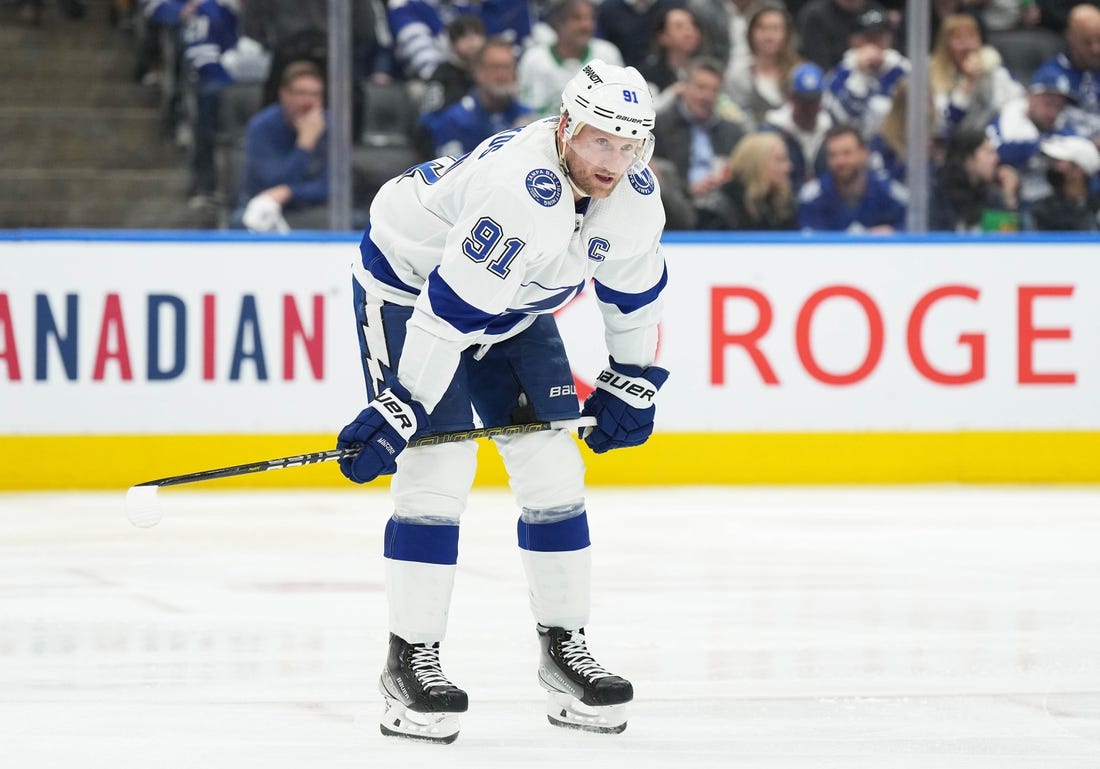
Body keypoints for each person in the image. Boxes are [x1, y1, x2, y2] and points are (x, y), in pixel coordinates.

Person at [336, 60, 669, 744]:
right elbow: (450, 310)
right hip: (412, 289)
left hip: (512, 311)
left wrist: (634, 377)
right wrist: (403, 404)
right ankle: (409, 661)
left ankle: (564, 651)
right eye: (600, 140)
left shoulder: (636, 193)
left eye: (628, 144)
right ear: (568, 128)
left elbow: (635, 294)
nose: (613, 160)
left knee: (554, 471)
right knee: (438, 469)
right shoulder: (520, 189)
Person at [231, 60, 329, 231]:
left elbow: (333, 186)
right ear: (284, 95)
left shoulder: (332, 126)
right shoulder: (261, 127)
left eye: (315, 95)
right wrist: (304, 145)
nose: (309, 102)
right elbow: (272, 182)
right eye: (301, 93)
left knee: (359, 221)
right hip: (263, 206)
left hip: (316, 208)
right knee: (241, 221)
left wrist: (289, 192)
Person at [651, 56, 748, 203]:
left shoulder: (732, 132)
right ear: (684, 87)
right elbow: (657, 177)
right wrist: (689, 191)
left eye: (714, 90)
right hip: (676, 206)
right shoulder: (660, 126)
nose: (707, 96)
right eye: (701, 88)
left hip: (723, 207)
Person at [419, 37, 532, 157]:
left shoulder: (527, 118)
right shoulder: (455, 120)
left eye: (507, 67)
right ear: (478, 72)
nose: (502, 75)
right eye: (495, 67)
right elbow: (451, 169)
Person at [517, 0, 624, 116]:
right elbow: (526, 109)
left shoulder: (607, 54)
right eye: (577, 18)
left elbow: (620, 104)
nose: (586, 25)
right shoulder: (534, 59)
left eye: (590, 18)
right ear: (558, 23)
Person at [928, 14, 1025, 137]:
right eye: (959, 39)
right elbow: (948, 121)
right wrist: (968, 82)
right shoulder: (932, 73)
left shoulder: (994, 68)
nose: (967, 46)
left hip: (988, 139)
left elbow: (1017, 101)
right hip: (950, 143)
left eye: (972, 37)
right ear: (945, 44)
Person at [797, 123, 908, 231]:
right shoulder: (812, 198)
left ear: (864, 154)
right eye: (833, 155)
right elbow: (809, 242)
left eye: (847, 153)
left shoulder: (891, 193)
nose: (840, 161)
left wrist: (893, 233)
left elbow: (912, 231)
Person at [822, 7, 910, 139]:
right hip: (855, 147)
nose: (874, 45)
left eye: (880, 37)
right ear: (855, 41)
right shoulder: (841, 73)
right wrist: (860, 76)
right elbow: (839, 120)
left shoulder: (903, 70)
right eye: (869, 38)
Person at [696, 131, 798, 229]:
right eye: (780, 160)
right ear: (756, 164)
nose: (788, 167)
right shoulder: (719, 210)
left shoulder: (783, 207)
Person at [725, 3, 802, 129]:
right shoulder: (738, 75)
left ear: (786, 34)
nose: (768, 35)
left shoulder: (798, 73)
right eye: (762, 28)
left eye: (775, 28)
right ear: (750, 33)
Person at [761, 62, 834, 193]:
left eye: (814, 101)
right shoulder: (772, 131)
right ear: (790, 97)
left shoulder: (832, 129)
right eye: (803, 101)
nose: (809, 108)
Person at [929, 129, 1020, 231]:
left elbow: (1004, 241)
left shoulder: (991, 196)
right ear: (969, 158)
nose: (996, 158)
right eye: (988, 152)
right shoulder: (938, 194)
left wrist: (1009, 197)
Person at [638, 6, 704, 110]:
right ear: (663, 37)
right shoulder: (650, 72)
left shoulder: (706, 68)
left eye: (693, 25)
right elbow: (647, 109)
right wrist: (673, 93)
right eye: (679, 26)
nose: (689, 32)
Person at [1030, 133, 1100, 228]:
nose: (1052, 166)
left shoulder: (1096, 207)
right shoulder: (1042, 210)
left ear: (1078, 170)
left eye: (1057, 161)